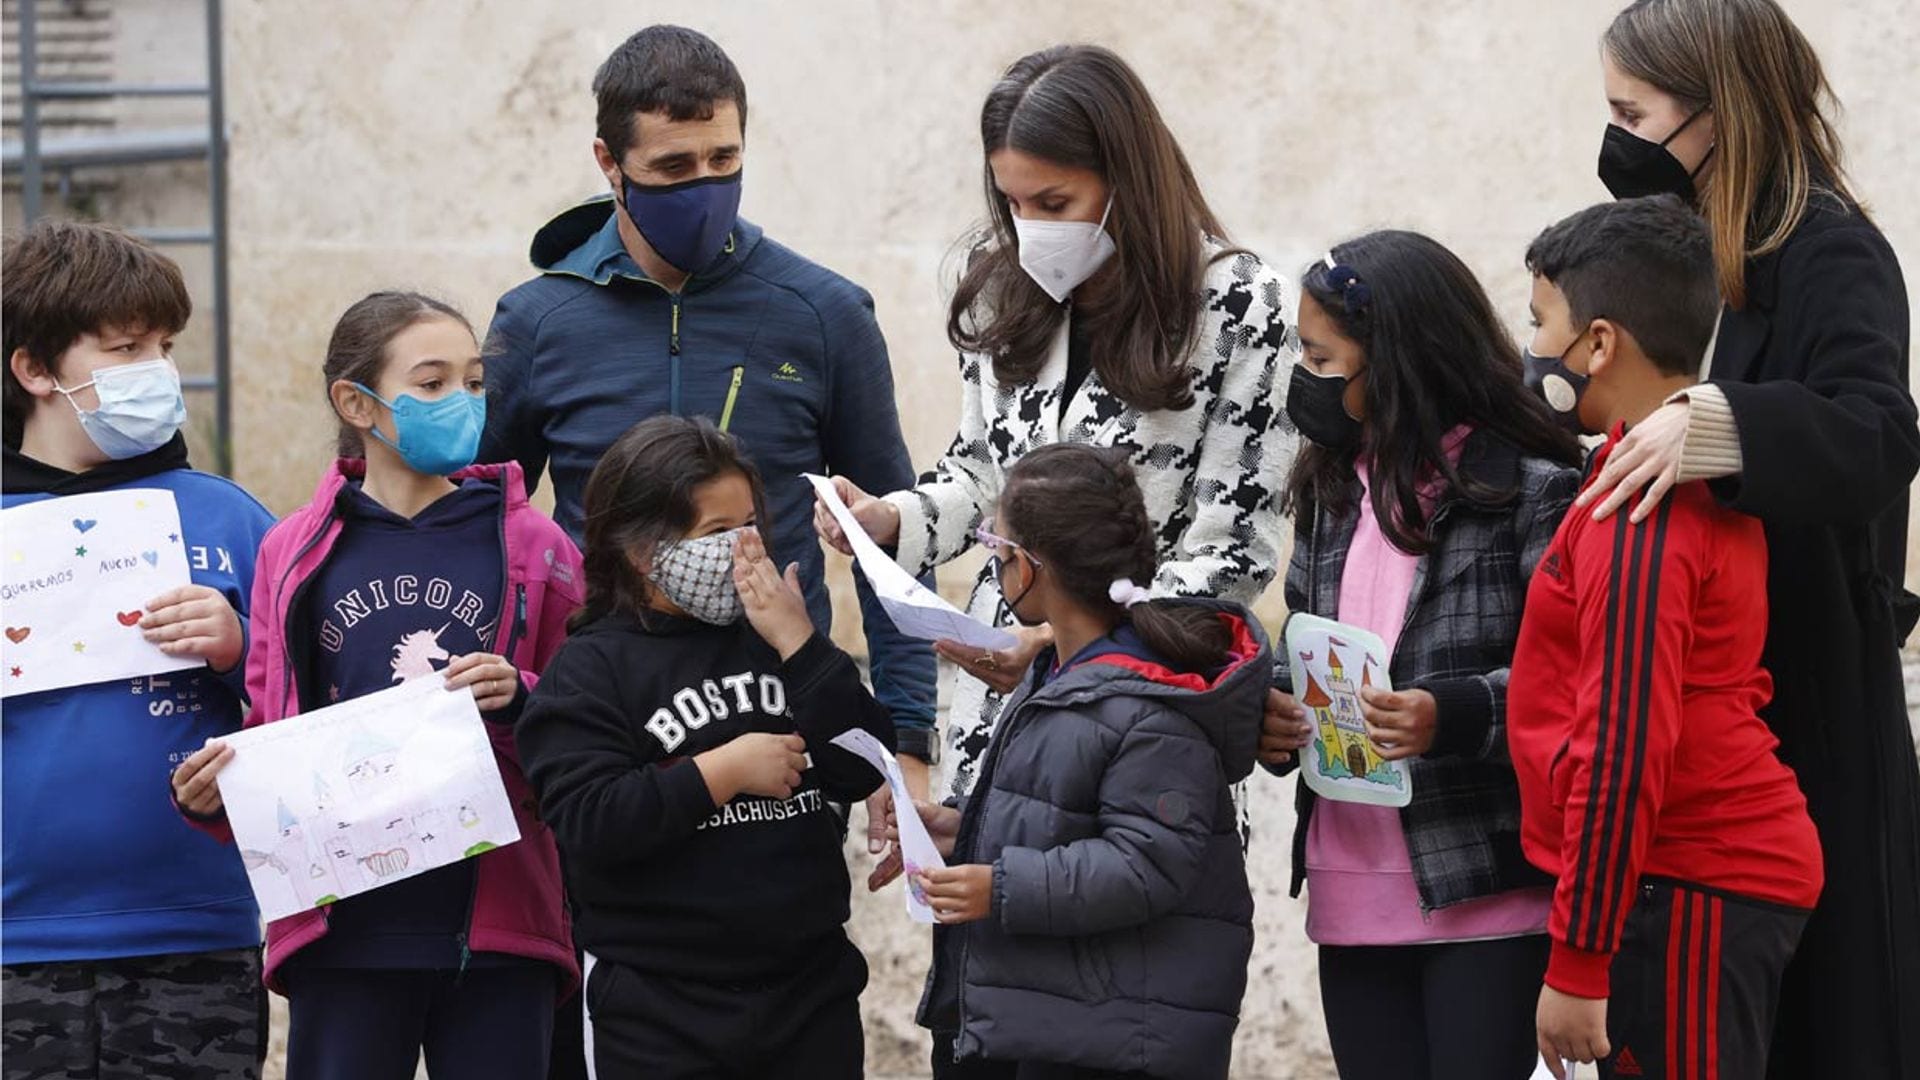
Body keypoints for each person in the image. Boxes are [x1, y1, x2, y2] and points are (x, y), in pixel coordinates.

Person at [816, 44, 1297, 830]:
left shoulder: (1242, 305)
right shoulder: (1000, 281)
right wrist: (892, 521)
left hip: (1142, 720)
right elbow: (980, 477)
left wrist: (1058, 641)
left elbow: (1233, 550)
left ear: (1127, 183)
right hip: (996, 725)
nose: (1030, 228)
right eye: (1013, 204)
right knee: (984, 935)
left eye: (1055, 201)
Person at [1573, 3, 1920, 1076]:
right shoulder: (1680, 245)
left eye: (1635, 112)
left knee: (1821, 1025)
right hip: (1698, 714)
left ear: (1718, 115)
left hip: (1807, 704)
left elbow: (1879, 430)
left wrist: (1716, 424)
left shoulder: (1827, 246)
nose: (1616, 139)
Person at [478, 23, 937, 789]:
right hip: (603, 730)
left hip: (785, 726)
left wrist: (910, 748)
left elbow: (885, 539)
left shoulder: (824, 312)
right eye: (673, 166)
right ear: (609, 163)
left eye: (723, 160)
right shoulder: (535, 323)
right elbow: (483, 525)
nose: (703, 185)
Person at [168, 292, 581, 1080]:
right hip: (343, 932)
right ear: (357, 403)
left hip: (498, 925)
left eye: (472, 381)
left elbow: (594, 711)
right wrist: (216, 797)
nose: (459, 403)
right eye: (430, 385)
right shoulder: (292, 550)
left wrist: (523, 693)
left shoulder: (536, 543)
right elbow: (269, 722)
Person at [1257, 232, 1584, 1079]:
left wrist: (1453, 712)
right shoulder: (1330, 488)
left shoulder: (1533, 486)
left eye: (1323, 357)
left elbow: (1583, 680)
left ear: (1396, 360)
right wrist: (1278, 713)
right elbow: (1303, 638)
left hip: (1484, 883)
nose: (1306, 375)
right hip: (1349, 884)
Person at [1511, 195, 1824, 1080]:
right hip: (1682, 879)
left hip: (1689, 877)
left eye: (1541, 323)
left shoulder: (1639, 506)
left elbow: (1625, 735)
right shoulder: (1649, 469)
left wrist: (1579, 959)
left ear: (1599, 344)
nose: (1531, 349)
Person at [515, 415, 893, 1080]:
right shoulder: (590, 669)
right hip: (660, 1011)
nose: (744, 547)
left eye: (750, 523)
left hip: (809, 996)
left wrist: (801, 645)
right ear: (643, 552)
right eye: (717, 532)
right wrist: (720, 772)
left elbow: (861, 763)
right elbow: (588, 821)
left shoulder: (775, 639)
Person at [1, 220, 275, 1079]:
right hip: (16, 939)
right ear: (36, 369)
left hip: (195, 932)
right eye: (124, 347)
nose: (156, 370)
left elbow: (317, 701)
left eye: (164, 345)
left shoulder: (229, 516)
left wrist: (237, 648)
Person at [903, 443, 1268, 1079]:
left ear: (1030, 568)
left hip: (1110, 1039)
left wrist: (1002, 886)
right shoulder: (1060, 675)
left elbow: (1145, 861)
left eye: (997, 546)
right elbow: (1061, 813)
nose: (995, 563)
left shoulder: (1151, 705)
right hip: (1046, 1018)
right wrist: (970, 827)